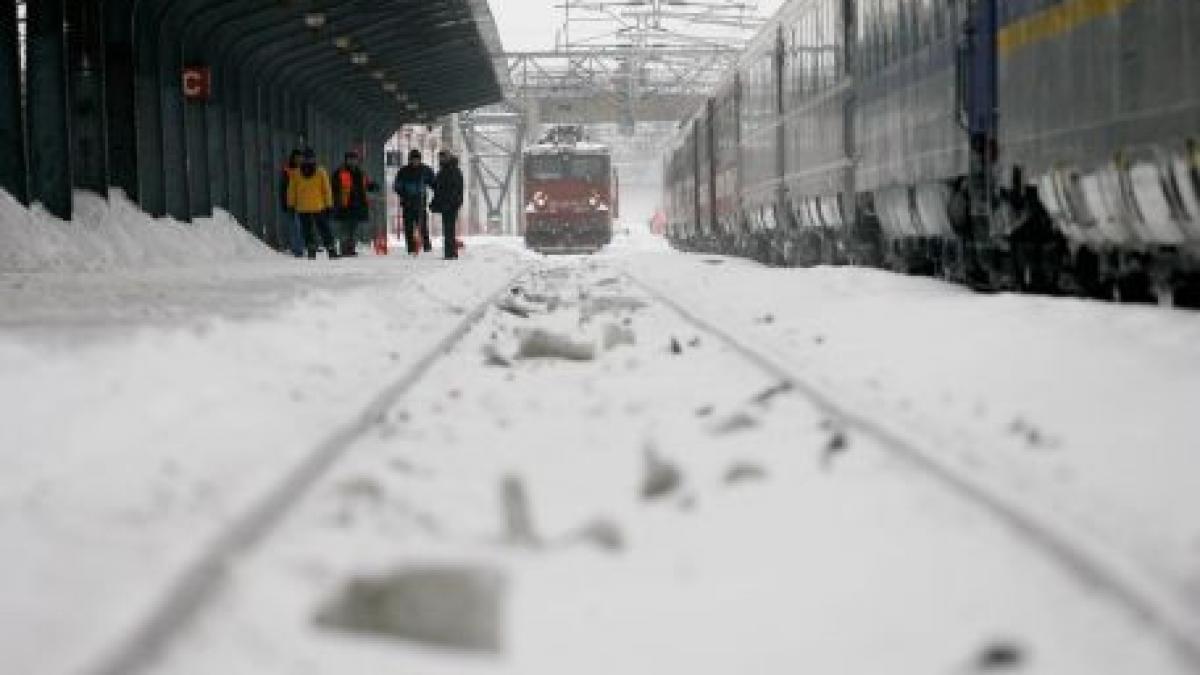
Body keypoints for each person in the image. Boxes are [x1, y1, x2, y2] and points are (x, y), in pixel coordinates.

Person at [287, 148, 338, 259]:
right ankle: (330, 249)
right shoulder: (320, 172)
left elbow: (291, 191)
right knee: (324, 229)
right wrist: (329, 205)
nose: (308, 160)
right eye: (308, 158)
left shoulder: (296, 173)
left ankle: (312, 249)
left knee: (308, 230)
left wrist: (291, 205)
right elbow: (327, 190)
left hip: (303, 207)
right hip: (318, 207)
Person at [331, 150, 376, 257]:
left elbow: (367, 185)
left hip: (358, 205)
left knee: (354, 229)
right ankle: (344, 249)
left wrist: (373, 186)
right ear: (346, 160)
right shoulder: (339, 173)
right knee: (345, 228)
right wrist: (336, 201)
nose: (352, 161)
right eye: (350, 159)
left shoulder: (361, 173)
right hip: (344, 205)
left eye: (354, 159)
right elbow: (333, 187)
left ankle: (351, 249)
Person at [393, 148, 436, 255]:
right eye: (413, 159)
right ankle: (411, 248)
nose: (415, 161)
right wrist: (403, 194)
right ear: (410, 160)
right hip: (407, 203)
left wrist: (437, 191)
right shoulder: (403, 171)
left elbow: (433, 183)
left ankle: (426, 247)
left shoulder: (425, 170)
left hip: (420, 203)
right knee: (408, 227)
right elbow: (397, 186)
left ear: (420, 160)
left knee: (423, 226)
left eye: (417, 159)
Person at [431, 150, 465, 260]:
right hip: (447, 203)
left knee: (449, 228)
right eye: (440, 157)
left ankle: (449, 253)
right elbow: (437, 187)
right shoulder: (444, 171)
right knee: (448, 228)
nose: (441, 159)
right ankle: (451, 252)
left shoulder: (453, 171)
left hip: (451, 204)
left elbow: (455, 188)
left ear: (448, 157)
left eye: (443, 157)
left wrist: (451, 201)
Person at [279, 149, 305, 257]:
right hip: (291, 203)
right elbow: (283, 188)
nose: (299, 159)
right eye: (297, 157)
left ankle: (301, 248)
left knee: (301, 227)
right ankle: (297, 250)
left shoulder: (305, 170)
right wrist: (284, 202)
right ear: (293, 158)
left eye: (300, 157)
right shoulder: (287, 170)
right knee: (294, 227)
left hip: (303, 203)